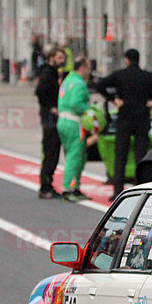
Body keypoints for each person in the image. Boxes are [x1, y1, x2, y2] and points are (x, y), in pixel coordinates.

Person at [95, 48, 152, 200]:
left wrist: (113, 99)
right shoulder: (147, 77)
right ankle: (139, 190)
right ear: (139, 60)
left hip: (124, 119)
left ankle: (117, 191)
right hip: (142, 120)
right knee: (140, 157)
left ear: (126, 59)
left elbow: (100, 85)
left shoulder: (120, 75)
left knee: (121, 157)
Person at [57, 57, 97, 201]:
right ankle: (70, 188)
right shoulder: (79, 83)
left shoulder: (68, 80)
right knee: (76, 156)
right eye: (88, 67)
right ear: (82, 68)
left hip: (63, 121)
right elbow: (76, 104)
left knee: (70, 155)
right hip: (74, 123)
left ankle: (72, 186)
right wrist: (90, 110)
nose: (90, 70)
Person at [35, 46, 66, 199]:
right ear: (52, 57)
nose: (62, 61)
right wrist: (50, 107)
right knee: (50, 150)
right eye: (59, 58)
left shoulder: (53, 73)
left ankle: (48, 184)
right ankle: (45, 186)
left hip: (51, 117)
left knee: (53, 151)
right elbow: (40, 91)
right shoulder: (47, 72)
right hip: (49, 118)